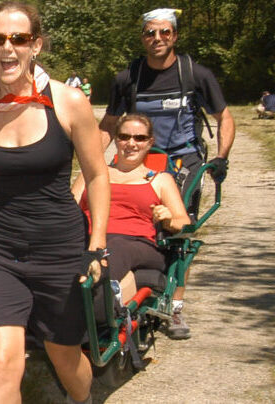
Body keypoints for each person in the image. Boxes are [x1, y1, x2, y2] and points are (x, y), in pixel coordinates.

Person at [0, 3, 109, 403]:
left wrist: (98, 244)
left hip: (61, 249)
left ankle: (83, 399)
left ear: (35, 44)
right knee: (0, 362)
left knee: (64, 355)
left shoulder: (69, 102)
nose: (7, 48)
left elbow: (97, 174)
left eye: (18, 39)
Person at [99, 7, 236, 340]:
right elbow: (108, 124)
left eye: (164, 32)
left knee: (176, 230)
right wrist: (92, 160)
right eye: (150, 32)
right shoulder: (127, 78)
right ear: (142, 36)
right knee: (120, 221)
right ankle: (134, 281)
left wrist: (220, 157)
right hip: (136, 158)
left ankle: (174, 309)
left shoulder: (195, 74)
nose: (157, 39)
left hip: (181, 159)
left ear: (174, 35)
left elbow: (225, 117)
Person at [71, 115, 190, 302]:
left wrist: (168, 220)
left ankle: (90, 296)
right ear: (116, 140)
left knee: (116, 246)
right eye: (124, 137)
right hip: (92, 239)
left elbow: (184, 223)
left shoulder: (160, 180)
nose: (131, 143)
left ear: (150, 142)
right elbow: (70, 209)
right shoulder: (92, 174)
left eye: (139, 138)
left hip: (138, 244)